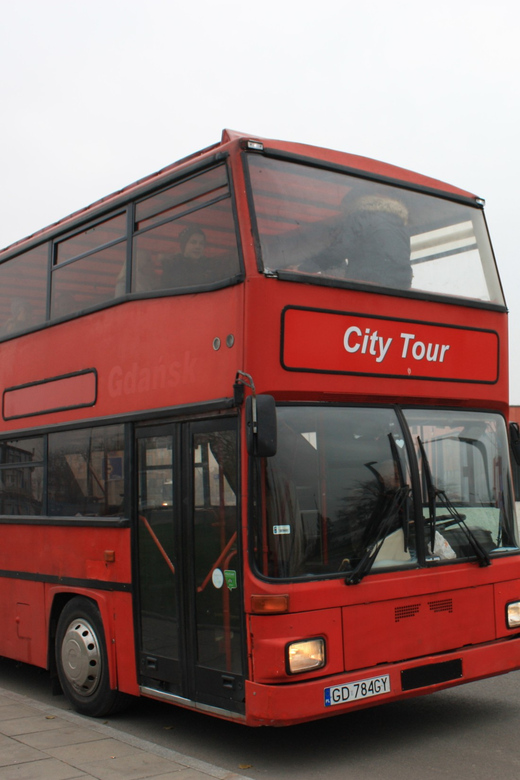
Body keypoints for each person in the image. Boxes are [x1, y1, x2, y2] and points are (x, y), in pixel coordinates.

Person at [301, 190, 412, 289]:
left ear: (352, 204)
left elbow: (340, 249)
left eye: (344, 210)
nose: (344, 215)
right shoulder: (400, 225)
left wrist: (305, 267)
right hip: (402, 283)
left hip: (369, 281)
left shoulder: (360, 216)